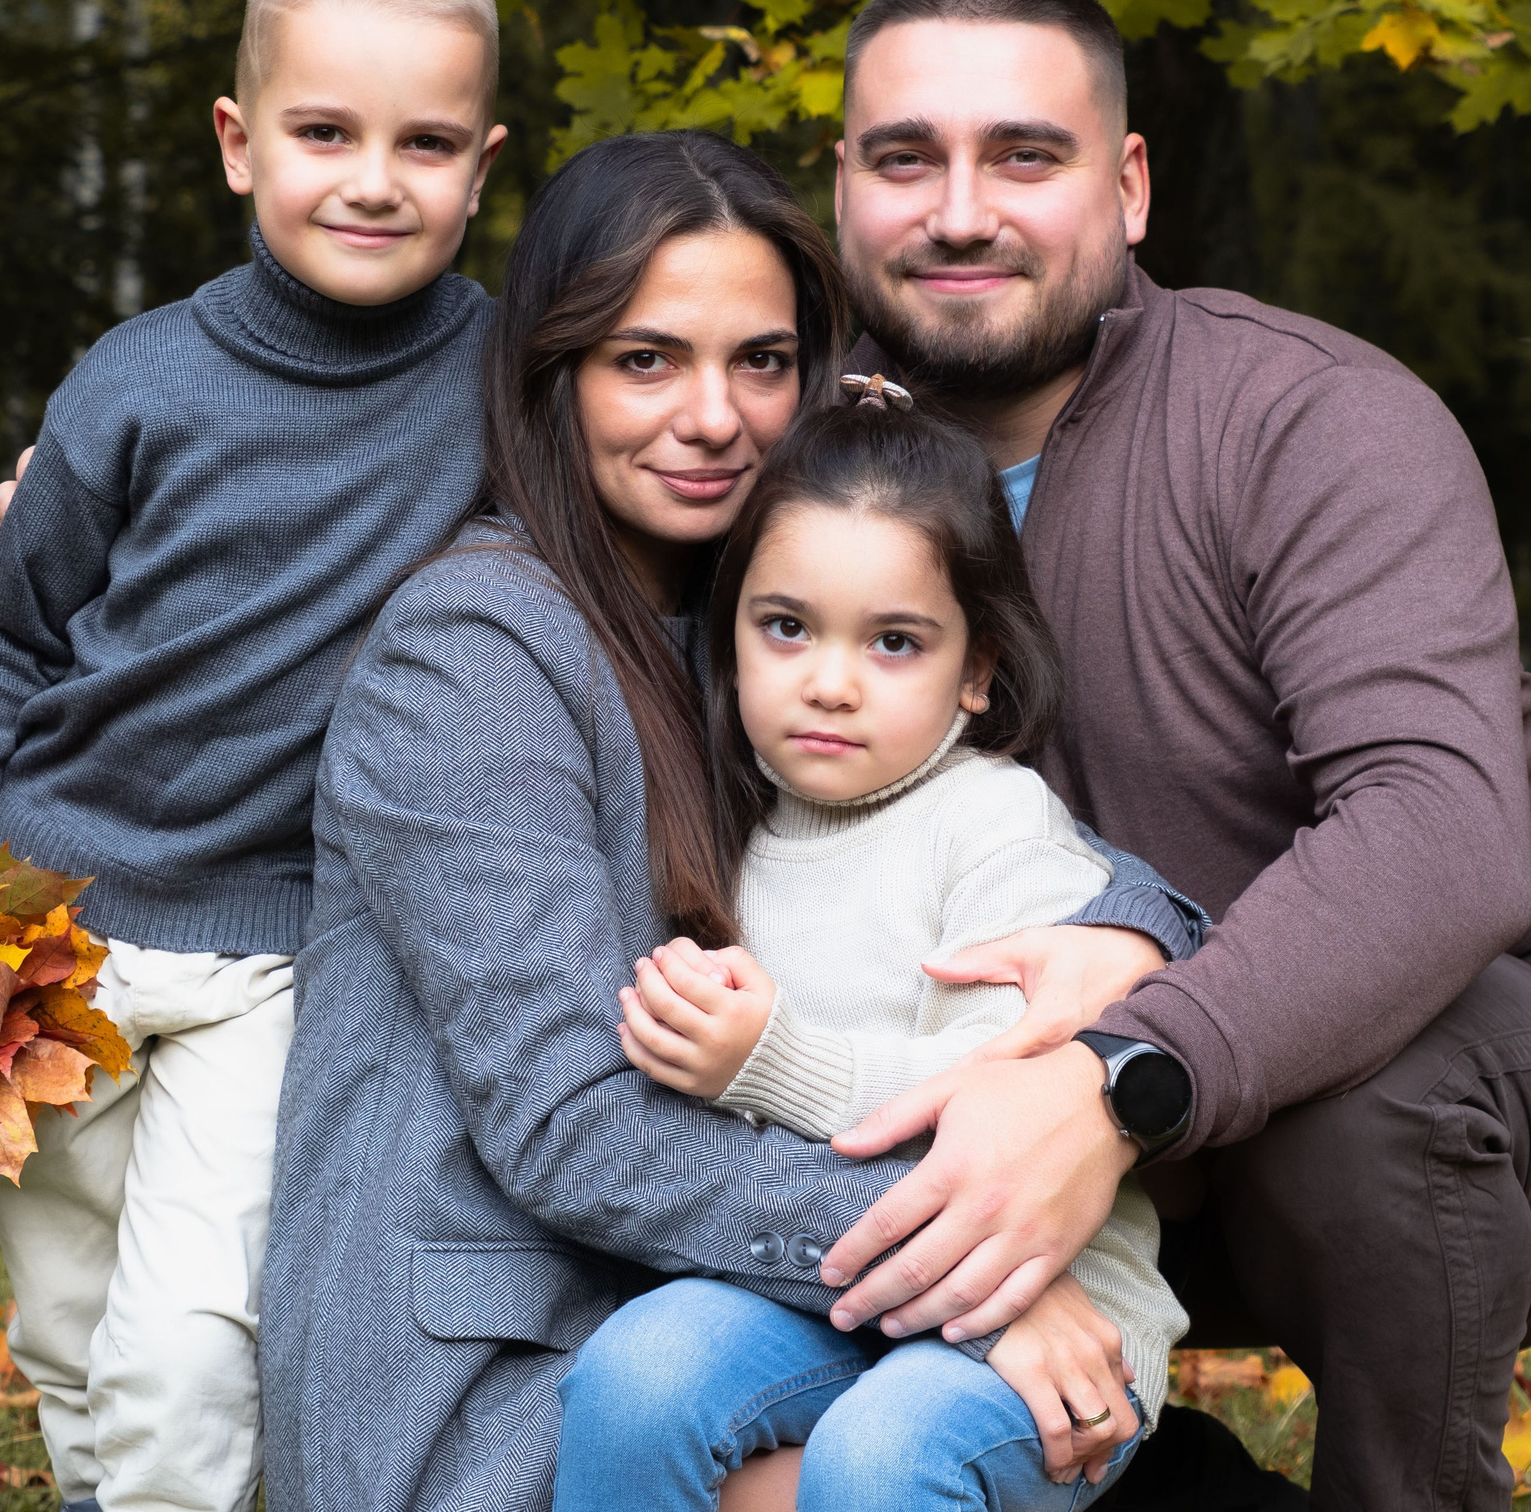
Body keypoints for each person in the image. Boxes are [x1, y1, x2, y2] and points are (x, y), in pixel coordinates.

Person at [792, 0, 1531, 1510]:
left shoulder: (1308, 419)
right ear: (844, 189)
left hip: (1503, 1068)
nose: (958, 209)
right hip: (1026, 1106)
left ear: (1129, 185)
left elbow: (1438, 832)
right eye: (905, 158)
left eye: (1025, 153)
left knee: (1364, 1111)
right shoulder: (786, 466)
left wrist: (1118, 1071)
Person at [256, 130, 1207, 1512]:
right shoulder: (472, 652)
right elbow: (576, 1122)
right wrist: (983, 1270)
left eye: (761, 361)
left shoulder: (755, 622)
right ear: (552, 374)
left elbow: (994, 826)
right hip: (491, 1378)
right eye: (645, 358)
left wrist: (1128, 935)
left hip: (716, 1314)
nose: (713, 415)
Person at [0, 0, 508, 1512]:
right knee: (69, 1329)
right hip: (50, 933)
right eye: (326, 132)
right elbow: (4, 634)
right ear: (240, 145)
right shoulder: (136, 380)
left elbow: (680, 461)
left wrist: (842, 422)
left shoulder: (508, 381)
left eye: (425, 142)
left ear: (482, 164)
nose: (374, 178)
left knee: (189, 1348)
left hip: (278, 953)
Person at [552, 387, 1185, 1512]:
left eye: (895, 641)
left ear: (977, 667)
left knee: (882, 1460)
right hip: (818, 1289)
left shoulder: (996, 829)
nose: (829, 681)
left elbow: (1009, 1109)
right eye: (785, 626)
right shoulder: (725, 832)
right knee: (635, 1373)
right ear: (729, 628)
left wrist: (770, 1057)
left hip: (1043, 1317)